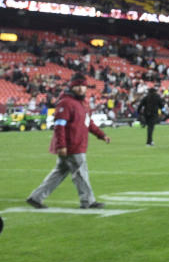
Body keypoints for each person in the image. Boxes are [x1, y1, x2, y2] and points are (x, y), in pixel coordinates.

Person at [26, 73, 111, 209]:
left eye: (83, 86)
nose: (81, 89)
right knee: (81, 173)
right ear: (72, 87)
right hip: (71, 145)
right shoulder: (66, 103)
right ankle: (87, 201)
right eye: (77, 86)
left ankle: (35, 197)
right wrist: (61, 145)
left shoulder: (81, 104)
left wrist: (102, 135)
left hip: (75, 145)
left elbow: (88, 123)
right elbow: (59, 126)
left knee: (59, 173)